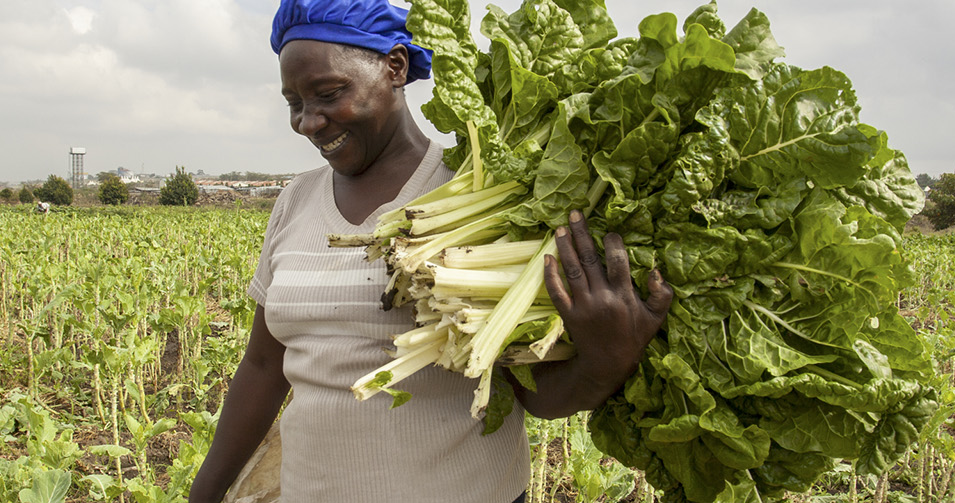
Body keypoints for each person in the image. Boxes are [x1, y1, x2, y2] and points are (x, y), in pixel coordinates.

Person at [187, 1, 673, 501]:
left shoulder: (481, 192)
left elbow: (535, 394)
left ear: (395, 67)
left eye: (329, 93)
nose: (308, 122)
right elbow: (264, 366)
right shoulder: (294, 201)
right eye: (294, 103)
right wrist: (204, 493)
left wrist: (606, 361)